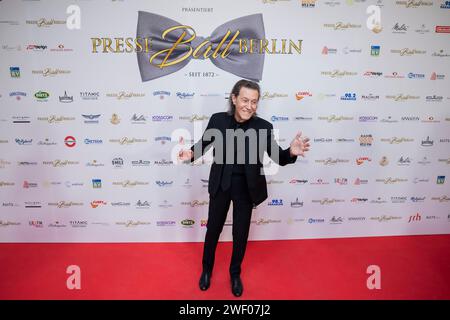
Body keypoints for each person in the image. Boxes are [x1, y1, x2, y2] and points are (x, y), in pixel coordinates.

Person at [178, 79, 310, 297]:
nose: (250, 106)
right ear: (234, 98)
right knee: (213, 230)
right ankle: (206, 270)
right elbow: (204, 143)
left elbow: (278, 156)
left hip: (247, 188)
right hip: (221, 184)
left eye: (254, 102)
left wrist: (291, 152)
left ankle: (235, 274)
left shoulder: (264, 127)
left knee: (240, 234)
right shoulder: (218, 120)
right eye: (245, 100)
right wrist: (191, 153)